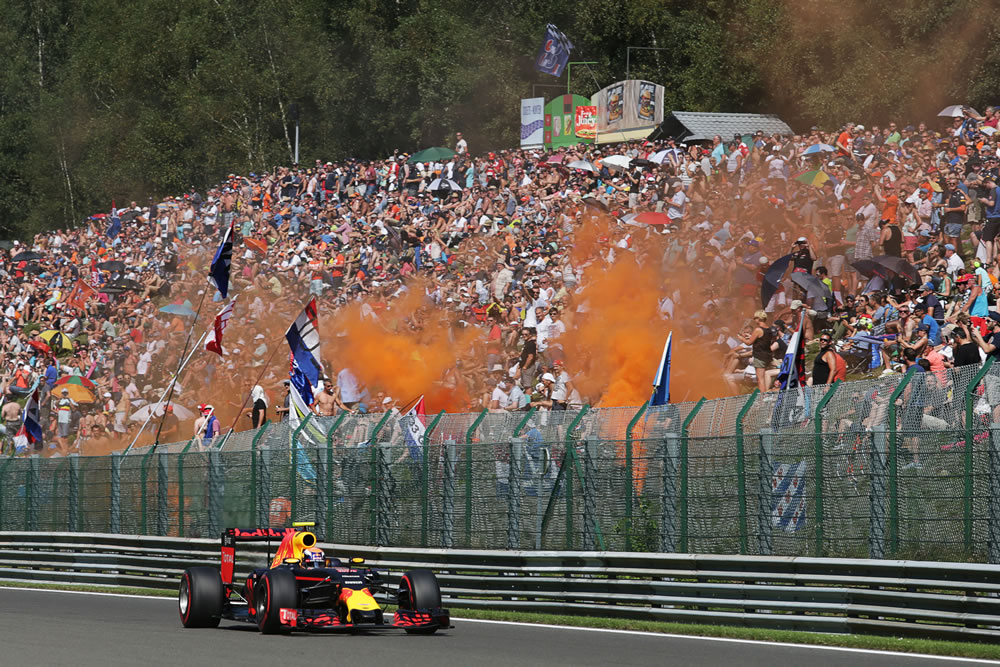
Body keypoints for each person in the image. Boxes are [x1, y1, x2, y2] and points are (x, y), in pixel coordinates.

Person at [55, 388, 77, 455]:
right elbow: (56, 404)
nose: (64, 394)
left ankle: (66, 449)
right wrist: (59, 398)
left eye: (65, 393)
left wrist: (69, 400)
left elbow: (74, 408)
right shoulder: (60, 400)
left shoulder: (70, 399)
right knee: (61, 435)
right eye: (63, 393)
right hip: (60, 419)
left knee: (65, 435)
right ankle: (63, 449)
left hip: (66, 419)